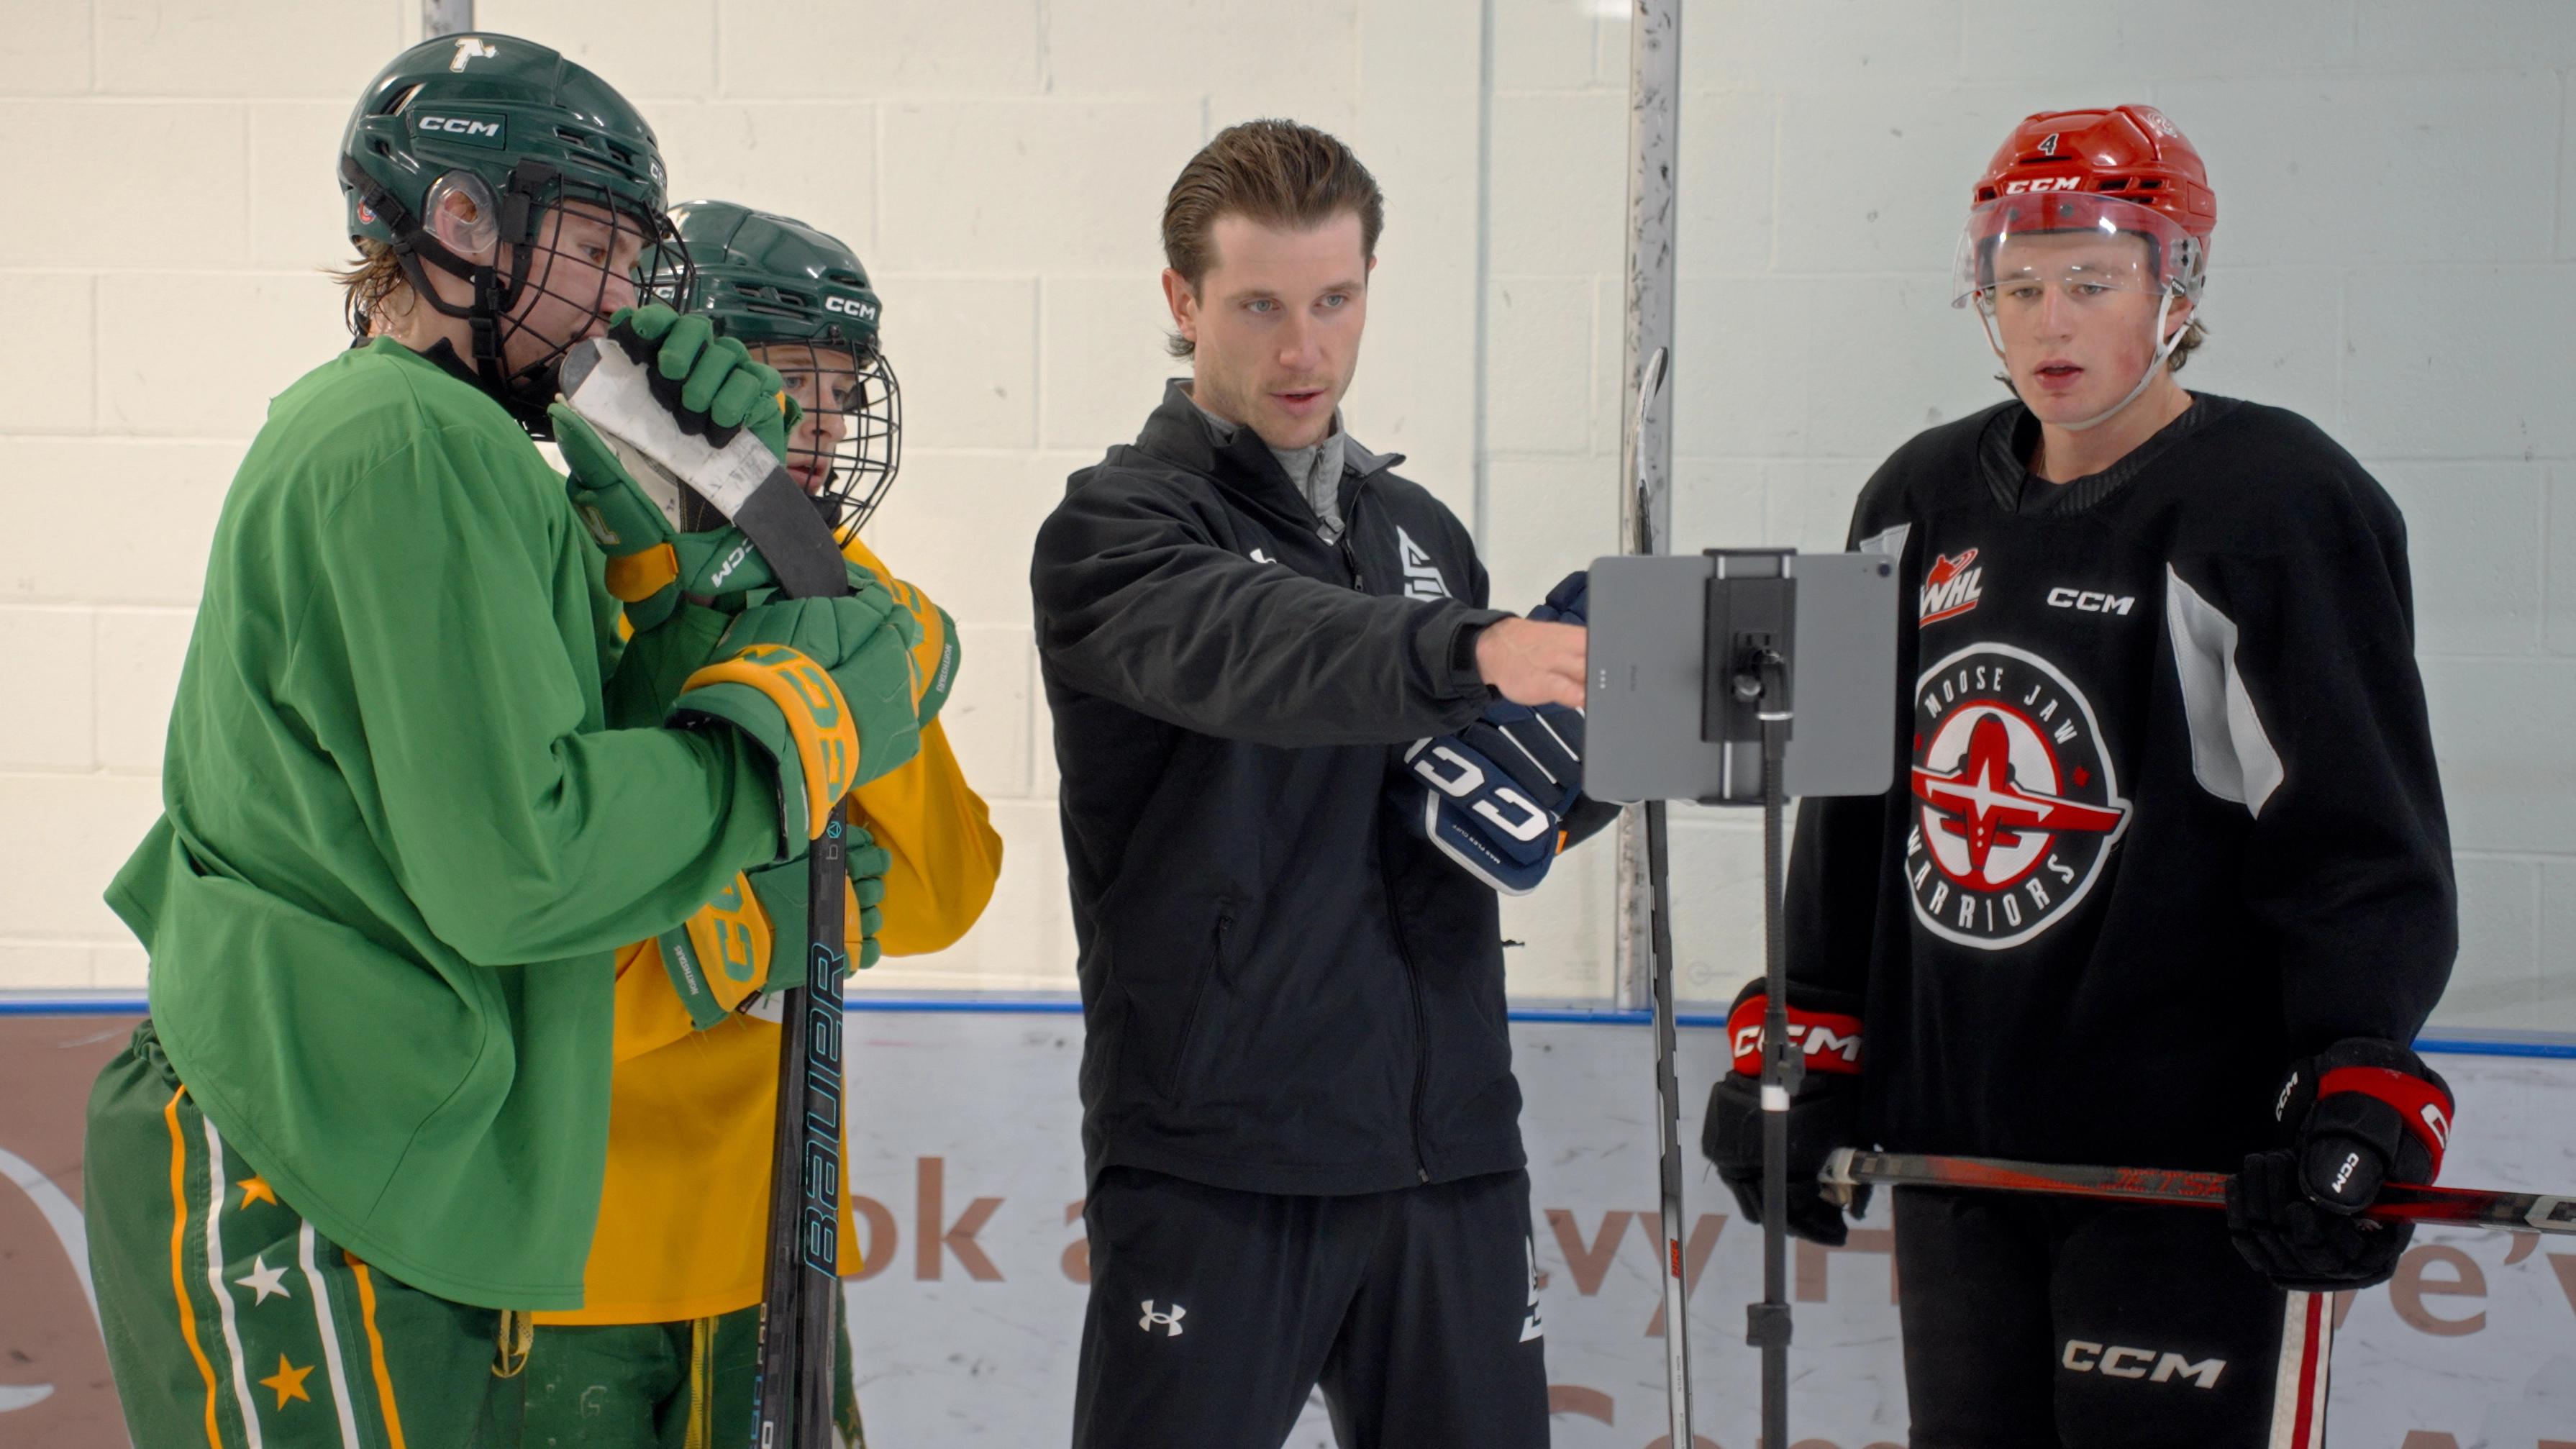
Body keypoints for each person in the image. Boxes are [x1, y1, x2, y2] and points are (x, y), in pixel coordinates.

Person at [83, 36, 922, 1447]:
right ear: (460, 220)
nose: (614, 296)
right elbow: (518, 864)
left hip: (368, 1137)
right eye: (590, 246)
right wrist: (763, 745)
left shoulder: (469, 451)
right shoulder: (412, 442)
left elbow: (578, 751)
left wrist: (705, 540)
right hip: (294, 1145)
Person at [1700, 105, 2457, 1448]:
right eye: (2020, 284)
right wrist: (1808, 1040)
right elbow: (1859, 806)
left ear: (2176, 287)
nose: (2050, 322)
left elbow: (2351, 829)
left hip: (2186, 1167)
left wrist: (2356, 1073)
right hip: (1961, 1153)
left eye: (2092, 283)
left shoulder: (2273, 503)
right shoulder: (1914, 498)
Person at [1031, 117, 1611, 1449]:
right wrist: (1473, 648)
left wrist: (1606, 750)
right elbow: (1262, 649)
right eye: (1259, 306)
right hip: (1219, 1160)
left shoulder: (1421, 535)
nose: (1305, 350)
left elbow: (1439, 818)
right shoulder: (1116, 531)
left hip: (1449, 1152)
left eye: (1335, 300)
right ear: (1182, 304)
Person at [519, 201, 1001, 1449]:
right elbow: (541, 949)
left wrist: (826, 611)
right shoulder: (572, 578)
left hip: (774, 1248)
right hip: (568, 1263)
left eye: (841, 386)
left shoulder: (843, 602)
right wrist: (740, 932)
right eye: (791, 380)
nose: (826, 420)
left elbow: (949, 887)